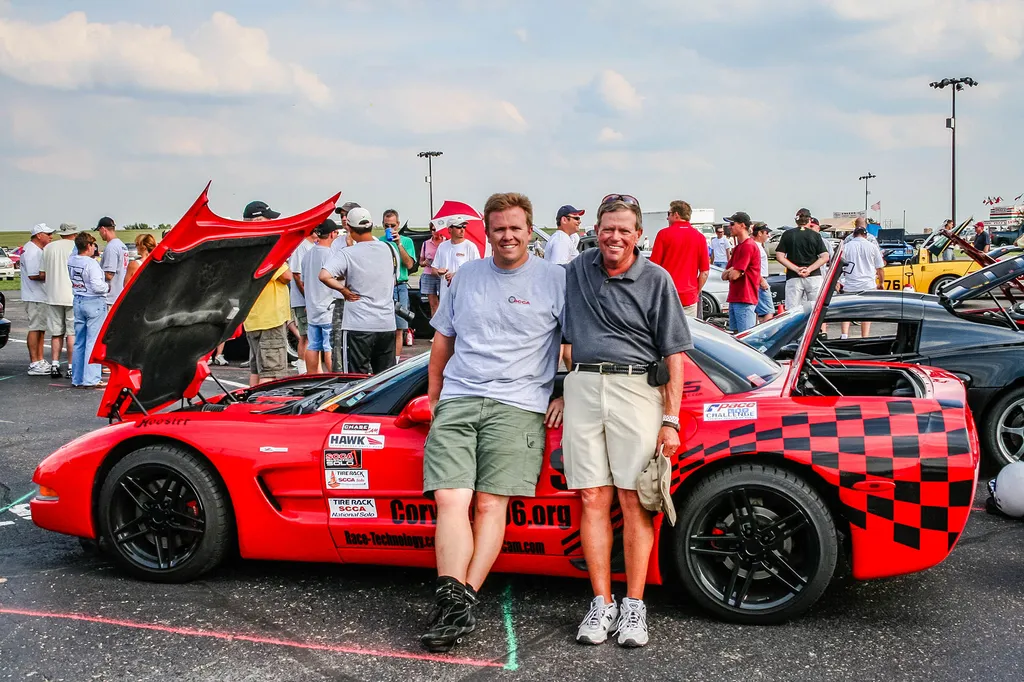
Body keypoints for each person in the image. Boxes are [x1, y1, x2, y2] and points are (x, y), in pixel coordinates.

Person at [420, 192, 566, 653]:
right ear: (488, 231)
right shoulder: (466, 276)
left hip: (519, 405)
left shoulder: (554, 279)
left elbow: (578, 342)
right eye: (499, 228)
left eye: (516, 227)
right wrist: (435, 396)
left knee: (489, 505)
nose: (507, 235)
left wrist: (562, 389)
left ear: (529, 230)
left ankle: (461, 601)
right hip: (461, 398)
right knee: (450, 498)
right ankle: (454, 599)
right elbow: (443, 340)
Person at [562, 194, 691, 649]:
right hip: (582, 387)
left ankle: (634, 606)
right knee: (592, 498)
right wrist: (561, 387)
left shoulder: (656, 279)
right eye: (607, 228)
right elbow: (557, 336)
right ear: (595, 230)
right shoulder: (576, 271)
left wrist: (670, 419)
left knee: (634, 499)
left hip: (636, 389)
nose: (614, 236)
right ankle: (602, 602)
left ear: (639, 235)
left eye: (624, 229)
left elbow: (674, 354)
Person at [319, 207, 397, 375]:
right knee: (385, 380)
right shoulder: (390, 249)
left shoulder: (348, 253)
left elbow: (324, 275)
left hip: (359, 323)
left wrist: (344, 290)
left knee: (355, 380)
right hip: (386, 323)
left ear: (350, 229)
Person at [240, 200, 293, 386]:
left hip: (253, 317)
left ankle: (250, 406)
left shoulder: (244, 246)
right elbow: (286, 276)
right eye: (267, 219)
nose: (272, 223)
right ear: (257, 221)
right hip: (270, 318)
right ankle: (263, 409)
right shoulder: (265, 247)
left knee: (257, 369)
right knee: (272, 373)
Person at [649, 200, 710, 317]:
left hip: (666, 295)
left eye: (669, 214)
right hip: (689, 297)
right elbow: (705, 272)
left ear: (676, 214)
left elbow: (653, 267)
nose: (667, 218)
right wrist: (695, 291)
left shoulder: (663, 234)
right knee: (689, 333)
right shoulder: (699, 237)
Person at [67, 231, 109, 388]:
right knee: (93, 341)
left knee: (80, 341)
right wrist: (107, 287)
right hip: (93, 301)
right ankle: (91, 378)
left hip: (78, 299)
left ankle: (77, 377)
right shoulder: (91, 264)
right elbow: (98, 286)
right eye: (93, 244)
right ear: (88, 246)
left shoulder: (72, 260)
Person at [39, 223, 78, 378]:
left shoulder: (49, 248)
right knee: (71, 333)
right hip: (71, 294)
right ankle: (70, 366)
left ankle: (54, 364)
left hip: (53, 294)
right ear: (74, 233)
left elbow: (42, 273)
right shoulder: (75, 247)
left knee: (56, 333)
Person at [302, 220, 340, 373]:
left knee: (313, 345)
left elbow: (303, 280)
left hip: (312, 307)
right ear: (332, 234)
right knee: (330, 347)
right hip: (328, 307)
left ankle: (312, 377)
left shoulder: (308, 254)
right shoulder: (331, 255)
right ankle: (334, 377)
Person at [775, 208, 830, 311]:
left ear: (796, 220)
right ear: (809, 220)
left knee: (792, 310)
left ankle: (795, 327)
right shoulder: (816, 236)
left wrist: (796, 269)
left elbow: (779, 256)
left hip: (794, 276)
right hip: (814, 276)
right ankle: (816, 327)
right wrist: (809, 269)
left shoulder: (787, 234)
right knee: (816, 309)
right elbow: (825, 257)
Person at [381, 209, 417, 361]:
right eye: (387, 225)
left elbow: (409, 265)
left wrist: (399, 244)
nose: (390, 229)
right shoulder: (379, 242)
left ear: (398, 225)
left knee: (399, 327)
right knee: (383, 327)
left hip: (400, 286)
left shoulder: (406, 242)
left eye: (393, 225)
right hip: (384, 287)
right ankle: (383, 360)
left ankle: (395, 362)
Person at [839, 225, 886, 339]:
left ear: (854, 235)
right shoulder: (872, 247)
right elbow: (880, 267)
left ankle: (844, 335)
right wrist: (881, 283)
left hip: (850, 284)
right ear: (865, 235)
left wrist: (838, 281)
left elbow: (839, 266)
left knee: (846, 310)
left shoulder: (845, 247)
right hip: (868, 284)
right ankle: (864, 337)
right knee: (867, 312)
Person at [21, 223, 56, 376]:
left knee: (40, 328)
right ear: (39, 235)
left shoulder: (35, 250)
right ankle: (35, 362)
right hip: (34, 295)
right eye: (48, 234)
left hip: (39, 295)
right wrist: (55, 274)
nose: (51, 237)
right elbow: (34, 274)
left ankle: (40, 360)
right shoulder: (32, 251)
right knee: (35, 327)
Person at [330, 201, 360, 371]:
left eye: (346, 215)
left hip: (359, 299)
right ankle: (338, 373)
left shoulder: (370, 242)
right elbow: (333, 273)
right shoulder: (336, 242)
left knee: (359, 340)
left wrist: (350, 248)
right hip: (340, 298)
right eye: (341, 216)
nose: (343, 219)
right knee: (337, 340)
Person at [721, 212, 760, 333]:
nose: (729, 227)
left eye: (732, 223)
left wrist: (734, 270)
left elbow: (734, 275)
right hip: (735, 298)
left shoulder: (748, 246)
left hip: (745, 297)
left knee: (746, 338)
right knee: (736, 336)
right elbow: (724, 276)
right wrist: (733, 270)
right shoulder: (738, 247)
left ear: (742, 225)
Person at [285, 230, 317, 371]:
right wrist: (308, 297)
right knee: (306, 336)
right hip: (303, 300)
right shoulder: (301, 246)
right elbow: (297, 275)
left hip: (310, 300)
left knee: (311, 336)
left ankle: (309, 367)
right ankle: (302, 367)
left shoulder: (312, 246)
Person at [431, 219, 481, 309]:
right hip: (445, 293)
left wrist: (457, 275)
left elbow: (477, 270)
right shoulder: (442, 246)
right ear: (450, 229)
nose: (462, 230)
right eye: (458, 227)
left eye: (464, 227)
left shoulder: (470, 246)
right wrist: (439, 272)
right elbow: (433, 270)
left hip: (464, 295)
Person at [96, 217, 127, 309]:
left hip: (111, 297)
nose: (100, 234)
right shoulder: (122, 245)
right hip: (120, 293)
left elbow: (109, 274)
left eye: (99, 230)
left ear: (103, 229)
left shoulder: (111, 247)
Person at [419, 220, 446, 317]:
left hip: (441, 274)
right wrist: (425, 262)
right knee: (433, 305)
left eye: (437, 230)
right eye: (433, 230)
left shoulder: (446, 242)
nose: (435, 232)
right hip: (429, 274)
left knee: (444, 304)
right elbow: (420, 262)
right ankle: (435, 329)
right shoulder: (426, 243)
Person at [751, 224, 775, 323]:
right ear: (760, 233)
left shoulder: (758, 246)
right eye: (766, 233)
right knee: (768, 310)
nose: (768, 235)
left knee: (759, 311)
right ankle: (766, 334)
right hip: (760, 280)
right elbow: (754, 266)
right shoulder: (756, 247)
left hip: (758, 279)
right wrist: (761, 280)